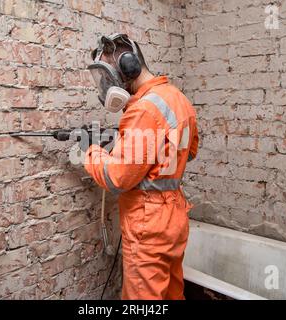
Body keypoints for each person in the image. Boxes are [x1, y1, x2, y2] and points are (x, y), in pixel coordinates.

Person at [83, 33, 199, 300]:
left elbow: (117, 178)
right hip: (174, 217)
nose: (106, 85)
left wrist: (90, 151)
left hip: (148, 223)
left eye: (107, 75)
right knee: (171, 294)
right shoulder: (177, 98)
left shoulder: (143, 110)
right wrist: (138, 146)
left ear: (127, 66)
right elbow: (188, 152)